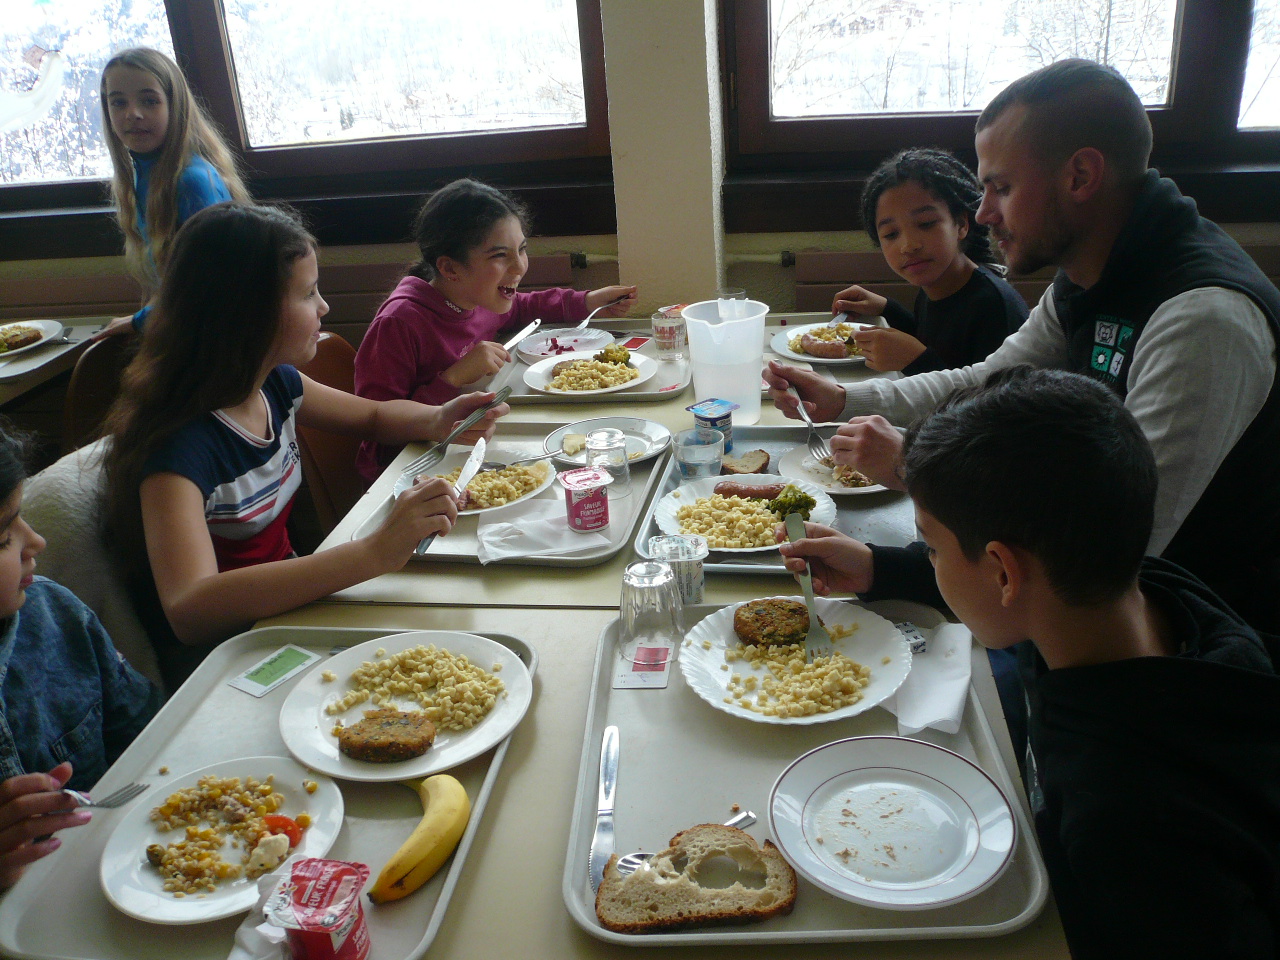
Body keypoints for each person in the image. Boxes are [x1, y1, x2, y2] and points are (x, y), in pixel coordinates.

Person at [765, 58, 1280, 633]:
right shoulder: (1088, 274)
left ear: (1080, 176)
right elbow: (987, 381)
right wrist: (845, 400)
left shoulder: (1204, 318)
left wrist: (917, 468)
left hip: (1196, 638)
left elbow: (1114, 547)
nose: (984, 212)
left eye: (1001, 188)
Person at [781, 367, 1280, 959]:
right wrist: (881, 567)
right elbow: (1019, 587)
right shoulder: (1142, 592)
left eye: (932, 548)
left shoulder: (1128, 827)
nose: (930, 559)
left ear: (1002, 571)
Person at [102, 202, 508, 689]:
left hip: (290, 611)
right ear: (246, 312)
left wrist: (440, 419)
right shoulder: (177, 447)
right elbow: (191, 608)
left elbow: (374, 416)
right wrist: (373, 552)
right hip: (229, 659)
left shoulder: (275, 384)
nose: (324, 307)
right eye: (309, 293)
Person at [354, 178, 638, 483]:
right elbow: (378, 433)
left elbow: (524, 307)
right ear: (450, 268)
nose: (519, 267)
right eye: (500, 256)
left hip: (466, 448)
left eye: (522, 250)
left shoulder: (479, 296)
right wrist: (452, 379)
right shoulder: (398, 323)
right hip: (406, 475)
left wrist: (587, 301)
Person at [0, 427, 160, 892]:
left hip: (121, 872)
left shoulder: (54, 615)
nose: (36, 541)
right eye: (3, 537)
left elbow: (149, 735)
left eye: (21, 518)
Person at [96, 47, 251, 337]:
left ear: (174, 105)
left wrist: (139, 321)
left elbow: (209, 287)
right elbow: (170, 281)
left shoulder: (193, 182)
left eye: (149, 101)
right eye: (118, 102)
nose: (132, 114)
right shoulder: (141, 177)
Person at [835, 148, 1026, 374]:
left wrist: (918, 362)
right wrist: (887, 309)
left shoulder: (993, 307)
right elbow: (933, 342)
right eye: (891, 234)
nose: (908, 246)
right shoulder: (936, 285)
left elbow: (992, 392)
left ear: (961, 225)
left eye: (926, 224)